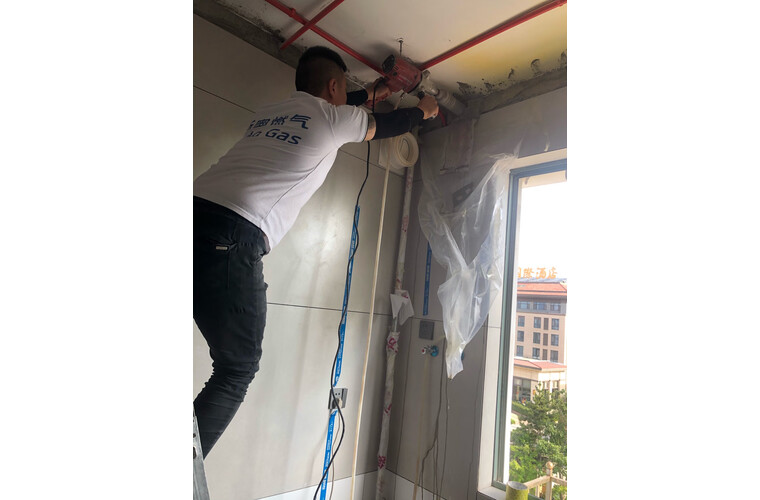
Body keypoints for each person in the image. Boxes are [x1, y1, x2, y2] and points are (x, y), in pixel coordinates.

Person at [193, 46, 439, 457]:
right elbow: (386, 124)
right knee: (237, 369)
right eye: (344, 89)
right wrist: (424, 111)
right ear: (333, 86)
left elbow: (337, 110)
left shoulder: (271, 112)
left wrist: (370, 93)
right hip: (232, 234)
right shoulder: (333, 119)